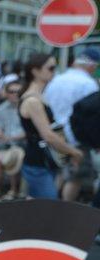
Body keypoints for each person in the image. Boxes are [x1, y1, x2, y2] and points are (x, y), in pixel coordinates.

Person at [18, 53, 84, 199]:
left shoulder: (38, 96)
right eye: (51, 68)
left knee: (41, 210)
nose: (54, 72)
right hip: (38, 163)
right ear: (35, 71)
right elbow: (48, 135)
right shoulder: (32, 100)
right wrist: (73, 152)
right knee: (49, 208)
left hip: (43, 162)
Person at [44, 48, 100, 201]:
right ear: (92, 66)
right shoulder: (88, 84)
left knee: (62, 173)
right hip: (75, 136)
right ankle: (64, 210)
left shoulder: (56, 79)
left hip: (53, 132)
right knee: (75, 176)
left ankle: (51, 206)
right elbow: (91, 115)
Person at [0, 80, 26, 200]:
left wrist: (9, 137)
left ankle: (13, 190)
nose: (15, 94)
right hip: (6, 144)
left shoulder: (26, 107)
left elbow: (28, 133)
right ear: (7, 93)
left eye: (18, 92)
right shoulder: (1, 109)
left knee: (14, 156)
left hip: (22, 144)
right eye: (12, 91)